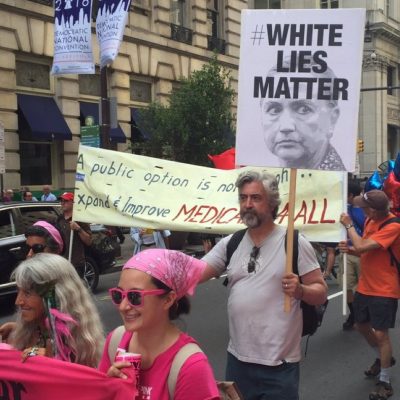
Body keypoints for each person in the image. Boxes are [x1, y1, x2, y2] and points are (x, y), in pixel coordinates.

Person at [201, 170, 328, 400]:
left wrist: (300, 290)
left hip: (280, 367)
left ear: (272, 204)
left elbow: (320, 292)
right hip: (237, 363)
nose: (247, 204)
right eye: (243, 198)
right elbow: (195, 272)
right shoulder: (232, 243)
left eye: (255, 198)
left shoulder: (295, 242)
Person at [99, 249, 220, 400]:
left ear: (168, 300)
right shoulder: (115, 342)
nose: (123, 306)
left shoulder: (190, 367)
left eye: (135, 296)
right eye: (118, 295)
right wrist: (108, 390)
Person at [339, 189, 400, 400]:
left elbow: (363, 244)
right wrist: (349, 249)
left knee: (381, 334)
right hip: (366, 285)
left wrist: (348, 227)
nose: (360, 210)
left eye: (364, 208)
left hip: (385, 288)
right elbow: (364, 250)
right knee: (361, 325)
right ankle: (383, 358)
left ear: (373, 211)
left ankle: (385, 381)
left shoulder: (393, 226)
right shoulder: (369, 222)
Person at [1, 253, 104, 367]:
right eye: (18, 291)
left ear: (55, 295)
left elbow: (79, 377)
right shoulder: (29, 330)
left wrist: (44, 357)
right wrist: (15, 330)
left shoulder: (79, 341)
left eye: (28, 293)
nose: (18, 301)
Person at [261, 58, 345, 171]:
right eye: (275, 110)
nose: (286, 126)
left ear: (332, 119)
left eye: (304, 109)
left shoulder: (339, 186)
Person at [0, 220, 65, 343]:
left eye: (37, 248)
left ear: (56, 251)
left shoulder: (67, 291)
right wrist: (17, 329)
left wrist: (33, 352)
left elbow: (59, 343)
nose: (29, 255)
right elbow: (41, 329)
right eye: (27, 248)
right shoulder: (31, 280)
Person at [339, 181, 365, 331]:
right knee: (347, 286)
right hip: (346, 251)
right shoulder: (343, 208)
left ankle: (363, 314)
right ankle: (354, 314)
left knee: (363, 287)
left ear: (350, 195)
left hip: (363, 253)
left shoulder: (366, 210)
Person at [56, 192, 92, 277]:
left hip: (76, 263)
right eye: (61, 200)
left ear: (73, 202)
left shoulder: (79, 219)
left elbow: (89, 241)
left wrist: (78, 229)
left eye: (66, 200)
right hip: (62, 263)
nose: (62, 203)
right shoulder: (59, 219)